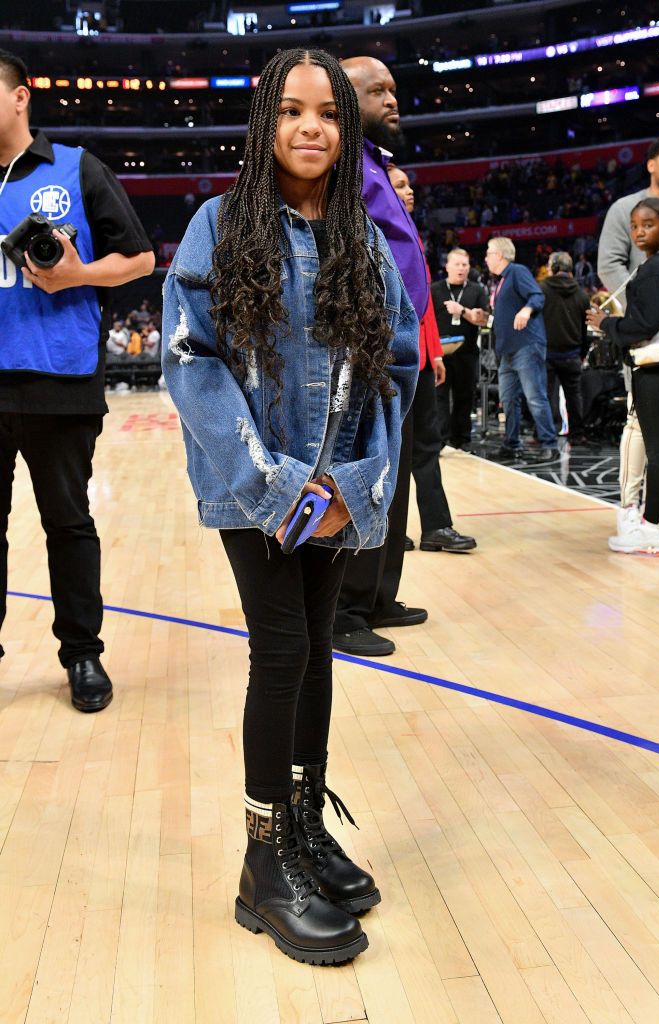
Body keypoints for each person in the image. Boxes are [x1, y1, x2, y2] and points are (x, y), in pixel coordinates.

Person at [162, 48, 419, 965]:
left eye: (329, 114)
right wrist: (276, 489)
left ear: (347, 133)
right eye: (292, 111)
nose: (311, 127)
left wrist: (354, 492)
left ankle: (304, 824)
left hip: (337, 500)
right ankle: (263, 864)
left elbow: (395, 371)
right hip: (258, 495)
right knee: (280, 654)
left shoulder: (364, 237)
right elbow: (192, 361)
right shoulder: (219, 224)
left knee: (317, 652)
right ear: (264, 123)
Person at [0, 50, 154, 711]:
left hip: (59, 380)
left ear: (20, 97)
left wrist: (76, 275)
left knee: (68, 524)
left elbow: (142, 257)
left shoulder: (75, 168)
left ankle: (82, 655)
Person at [330, 55, 430, 658]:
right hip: (363, 346)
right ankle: (341, 609)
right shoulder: (343, 165)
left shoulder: (378, 164)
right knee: (362, 475)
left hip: (398, 349)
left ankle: (376, 597)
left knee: (394, 480)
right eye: (377, 91)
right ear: (347, 100)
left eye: (394, 89)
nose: (392, 99)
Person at [597, 136, 659, 544]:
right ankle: (631, 508)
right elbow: (609, 264)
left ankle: (658, 521)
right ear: (651, 163)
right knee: (641, 427)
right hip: (647, 339)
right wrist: (638, 311)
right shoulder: (624, 209)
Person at [386, 165, 476, 554]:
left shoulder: (411, 237)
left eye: (409, 184)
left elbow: (424, 309)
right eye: (400, 186)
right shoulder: (381, 235)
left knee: (427, 444)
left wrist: (435, 353)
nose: (409, 191)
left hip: (420, 359)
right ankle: (390, 532)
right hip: (390, 361)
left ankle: (437, 527)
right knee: (390, 450)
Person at [471, 237, 559, 461]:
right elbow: (507, 314)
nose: (486, 257)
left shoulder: (517, 271)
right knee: (508, 399)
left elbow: (537, 296)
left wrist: (526, 310)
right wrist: (488, 319)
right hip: (508, 350)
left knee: (535, 397)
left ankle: (550, 444)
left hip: (526, 346)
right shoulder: (502, 280)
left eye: (488, 252)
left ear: (499, 255)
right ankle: (512, 444)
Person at [430, 247, 490, 452]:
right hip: (441, 354)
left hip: (467, 353)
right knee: (439, 398)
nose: (461, 268)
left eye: (465, 265)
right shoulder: (435, 289)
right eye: (457, 264)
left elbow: (485, 319)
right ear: (447, 266)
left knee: (465, 396)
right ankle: (441, 440)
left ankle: (462, 439)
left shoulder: (477, 290)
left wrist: (462, 311)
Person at [540, 251, 590, 443]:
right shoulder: (581, 293)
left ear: (552, 268)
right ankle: (577, 435)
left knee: (544, 396)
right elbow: (584, 330)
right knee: (574, 396)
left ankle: (545, 434)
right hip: (572, 354)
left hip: (547, 353)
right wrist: (583, 353)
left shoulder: (542, 289)